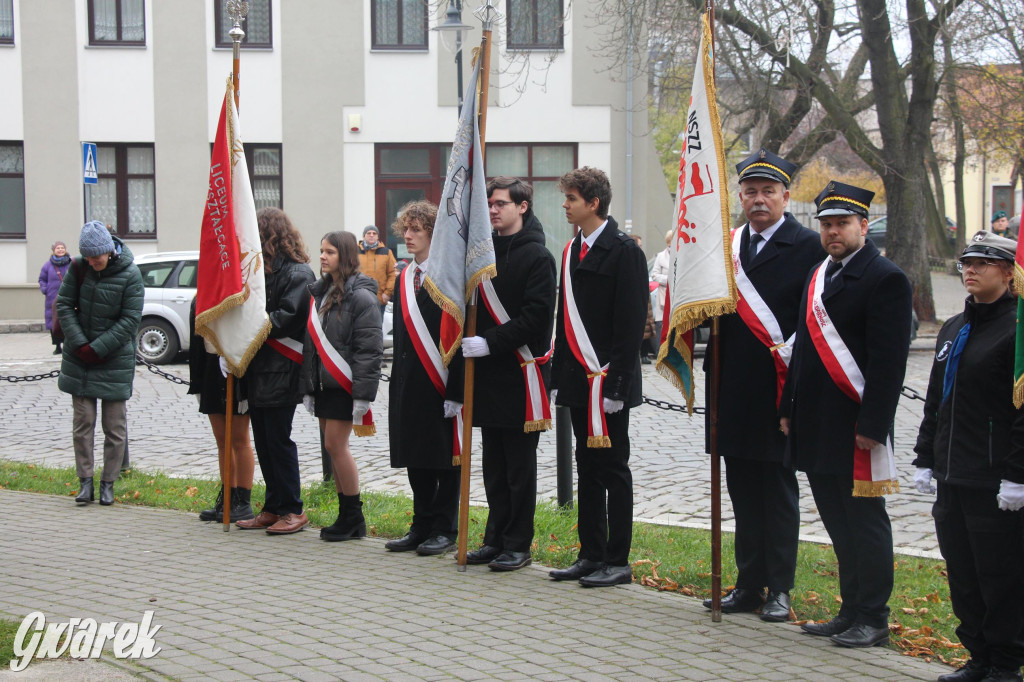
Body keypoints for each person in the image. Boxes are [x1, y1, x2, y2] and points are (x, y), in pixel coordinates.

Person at [780, 181, 913, 648]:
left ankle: (873, 616)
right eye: (827, 224)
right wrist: (787, 408)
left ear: (863, 225)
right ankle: (849, 609)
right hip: (815, 422)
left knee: (864, 522)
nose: (833, 232)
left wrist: (874, 427)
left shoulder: (886, 278)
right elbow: (801, 352)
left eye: (842, 224)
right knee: (837, 520)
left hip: (856, 426)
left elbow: (888, 362)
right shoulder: (821, 276)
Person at [700, 149, 826, 622]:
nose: (758, 200)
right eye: (750, 192)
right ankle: (748, 584)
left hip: (778, 388)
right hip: (731, 387)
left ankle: (780, 588)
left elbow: (813, 319)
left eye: (768, 192)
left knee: (776, 493)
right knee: (742, 491)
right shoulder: (727, 246)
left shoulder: (809, 247)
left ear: (786, 197)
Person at [913, 231, 1024, 682]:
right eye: (966, 263)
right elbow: (937, 398)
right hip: (952, 473)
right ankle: (977, 657)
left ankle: (1004, 663)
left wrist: (1017, 475)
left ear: (1008, 271)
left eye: (983, 262)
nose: (971, 270)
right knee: (963, 574)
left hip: (993, 478)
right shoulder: (955, 326)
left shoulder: (1018, 330)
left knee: (1000, 577)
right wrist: (925, 456)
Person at [548, 166, 649, 587]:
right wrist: (557, 374)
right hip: (577, 378)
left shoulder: (625, 251)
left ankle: (618, 559)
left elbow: (630, 325)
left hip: (607, 380)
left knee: (613, 467)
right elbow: (564, 318)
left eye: (572, 199)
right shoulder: (573, 250)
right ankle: (590, 553)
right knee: (585, 466)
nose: (566, 205)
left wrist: (619, 385)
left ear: (593, 203)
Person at [461, 177, 557, 571]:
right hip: (488, 378)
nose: (494, 210)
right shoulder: (481, 255)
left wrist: (489, 342)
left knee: (519, 468)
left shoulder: (538, 256)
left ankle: (518, 543)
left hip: (520, 375)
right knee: (494, 467)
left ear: (523, 207)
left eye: (501, 203)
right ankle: (495, 538)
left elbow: (536, 319)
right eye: (490, 204)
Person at [386, 200, 465, 556]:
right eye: (406, 228)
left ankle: (445, 528)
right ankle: (420, 524)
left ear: (434, 233)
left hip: (441, 383)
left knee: (444, 461)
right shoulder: (404, 276)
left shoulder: (449, 275)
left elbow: (459, 338)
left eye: (416, 229)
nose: (408, 235)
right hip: (408, 384)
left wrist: (457, 389)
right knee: (415, 459)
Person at [236, 208, 316, 535]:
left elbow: (286, 317)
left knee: (279, 441)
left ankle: (293, 508)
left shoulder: (299, 273)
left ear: (268, 235)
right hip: (259, 369)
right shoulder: (259, 273)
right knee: (264, 441)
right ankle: (273, 506)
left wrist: (246, 325)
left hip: (283, 368)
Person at [302, 230, 383, 541]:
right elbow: (312, 345)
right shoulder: (320, 292)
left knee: (337, 446)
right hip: (324, 384)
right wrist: (309, 386)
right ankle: (345, 515)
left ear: (346, 256)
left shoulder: (361, 296)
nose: (323, 257)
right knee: (331, 448)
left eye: (331, 252)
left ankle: (354, 516)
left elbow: (369, 349)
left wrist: (363, 395)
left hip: (344, 386)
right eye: (322, 251)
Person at [56, 221, 143, 506]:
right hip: (80, 357)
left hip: (114, 358)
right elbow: (64, 304)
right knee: (83, 423)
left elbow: (130, 320)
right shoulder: (79, 268)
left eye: (97, 257)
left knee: (114, 427)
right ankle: (85, 482)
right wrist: (81, 343)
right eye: (89, 257)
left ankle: (108, 483)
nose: (93, 262)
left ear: (109, 251)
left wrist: (99, 347)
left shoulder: (130, 275)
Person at [187, 299, 256, 523]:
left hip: (234, 365)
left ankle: (242, 501)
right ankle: (228, 495)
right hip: (209, 365)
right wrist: (196, 380)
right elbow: (196, 339)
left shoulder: (238, 289)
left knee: (239, 438)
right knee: (222, 440)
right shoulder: (202, 296)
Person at [39, 241, 71, 355]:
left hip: (68, 297)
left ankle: (67, 344)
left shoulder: (71, 263)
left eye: (62, 248)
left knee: (68, 320)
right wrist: (44, 289)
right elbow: (42, 279)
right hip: (52, 297)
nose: (60, 250)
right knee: (54, 321)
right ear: (54, 250)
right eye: (58, 248)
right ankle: (57, 346)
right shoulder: (47, 265)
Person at [357, 225, 397, 314]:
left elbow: (393, 273)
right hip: (358, 299)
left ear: (378, 237)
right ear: (364, 236)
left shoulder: (387, 252)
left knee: (377, 327)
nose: (371, 235)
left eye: (374, 233)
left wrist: (387, 293)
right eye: (369, 233)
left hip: (379, 299)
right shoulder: (354, 251)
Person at [649, 229, 673, 344]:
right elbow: (654, 275)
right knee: (662, 326)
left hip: (677, 296)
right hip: (663, 296)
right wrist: (668, 280)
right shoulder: (660, 256)